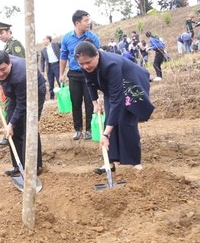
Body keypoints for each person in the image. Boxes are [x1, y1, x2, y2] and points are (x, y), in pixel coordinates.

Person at [73, 41, 154, 173]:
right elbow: (89, 82)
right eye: (81, 64)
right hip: (111, 87)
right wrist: (95, 103)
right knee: (110, 120)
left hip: (130, 83)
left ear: (97, 55)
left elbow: (117, 101)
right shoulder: (84, 65)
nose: (85, 66)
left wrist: (105, 134)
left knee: (126, 122)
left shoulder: (112, 65)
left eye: (88, 62)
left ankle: (136, 162)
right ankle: (109, 162)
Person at [0, 50, 45, 176]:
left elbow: (22, 104)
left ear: (10, 64)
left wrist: (11, 123)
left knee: (29, 127)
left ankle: (34, 166)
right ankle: (18, 166)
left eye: (3, 69)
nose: (0, 73)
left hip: (34, 93)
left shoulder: (21, 75)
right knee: (12, 130)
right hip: (15, 94)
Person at [59, 10, 100, 140]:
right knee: (75, 102)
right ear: (77, 23)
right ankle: (78, 130)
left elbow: (98, 56)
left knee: (89, 102)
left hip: (89, 73)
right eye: (86, 21)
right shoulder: (66, 38)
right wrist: (61, 74)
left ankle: (88, 130)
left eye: (89, 20)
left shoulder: (93, 37)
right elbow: (63, 56)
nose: (89, 23)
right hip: (74, 74)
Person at [0, 21, 26, 146]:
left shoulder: (14, 44)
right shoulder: (6, 46)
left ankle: (10, 133)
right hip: (9, 84)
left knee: (11, 107)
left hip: (17, 84)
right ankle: (9, 133)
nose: (0, 36)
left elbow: (21, 62)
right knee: (8, 107)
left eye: (1, 32)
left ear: (9, 32)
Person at [39, 35, 61, 100]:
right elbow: (42, 61)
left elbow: (65, 45)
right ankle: (52, 97)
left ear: (48, 39)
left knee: (59, 80)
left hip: (57, 65)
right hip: (49, 67)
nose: (44, 41)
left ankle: (61, 95)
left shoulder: (56, 45)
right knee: (50, 83)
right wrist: (42, 70)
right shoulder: (43, 50)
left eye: (44, 39)